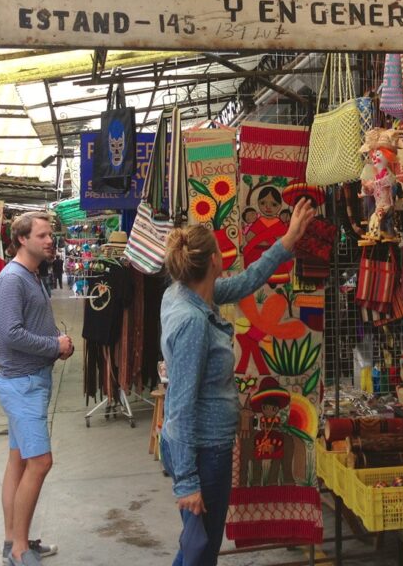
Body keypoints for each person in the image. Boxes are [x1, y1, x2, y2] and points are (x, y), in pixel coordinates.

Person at [160, 198, 314, 566]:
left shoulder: (188, 293)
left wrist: (288, 238)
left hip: (203, 446)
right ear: (214, 260)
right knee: (202, 550)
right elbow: (179, 406)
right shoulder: (193, 321)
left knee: (195, 546)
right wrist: (187, 482)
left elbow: (247, 281)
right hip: (202, 451)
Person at [0, 212, 73, 566]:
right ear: (22, 239)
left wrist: (55, 339)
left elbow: (30, 323)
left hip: (28, 381)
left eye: (50, 235)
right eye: (42, 235)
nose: (49, 240)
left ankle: (14, 540)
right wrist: (54, 346)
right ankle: (21, 550)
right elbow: (10, 333)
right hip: (22, 384)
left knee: (19, 462)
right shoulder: (12, 279)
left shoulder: (32, 275)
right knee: (39, 462)